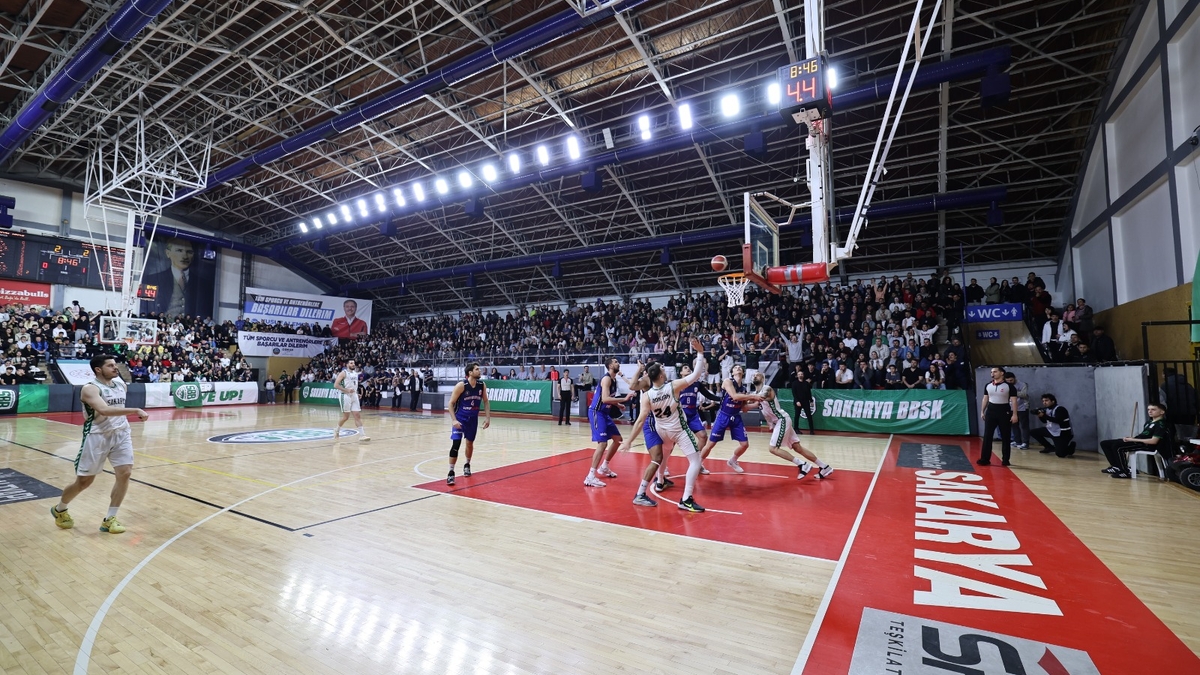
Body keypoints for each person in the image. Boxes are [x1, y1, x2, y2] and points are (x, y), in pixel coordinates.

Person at [50, 356, 149, 534]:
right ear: (98, 369)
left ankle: (110, 519)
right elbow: (104, 410)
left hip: (121, 433)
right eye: (110, 366)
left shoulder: (121, 385)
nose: (115, 368)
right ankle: (60, 509)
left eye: (115, 365)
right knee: (84, 482)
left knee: (125, 473)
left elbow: (116, 408)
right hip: (97, 436)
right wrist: (135, 410)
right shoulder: (90, 389)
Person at [621, 338, 708, 511]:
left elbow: (640, 420)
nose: (664, 370)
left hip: (661, 430)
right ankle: (686, 498)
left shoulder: (647, 396)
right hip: (678, 430)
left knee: (663, 457)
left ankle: (660, 481)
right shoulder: (672, 386)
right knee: (695, 461)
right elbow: (696, 375)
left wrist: (629, 441)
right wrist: (700, 353)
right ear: (661, 376)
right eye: (662, 369)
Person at [736, 372, 832, 478]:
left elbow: (760, 397)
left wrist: (744, 397)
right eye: (753, 375)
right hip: (779, 422)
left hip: (782, 420)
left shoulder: (767, 389)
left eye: (757, 375)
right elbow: (746, 408)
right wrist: (740, 401)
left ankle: (802, 464)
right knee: (797, 447)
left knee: (773, 448)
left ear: (763, 378)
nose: (755, 376)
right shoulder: (755, 393)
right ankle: (824, 467)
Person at [698, 365, 762, 474]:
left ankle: (733, 460)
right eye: (736, 367)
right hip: (723, 415)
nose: (738, 368)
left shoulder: (744, 389)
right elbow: (735, 396)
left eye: (740, 367)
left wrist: (756, 404)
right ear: (732, 372)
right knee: (711, 444)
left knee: (745, 444)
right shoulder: (727, 381)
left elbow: (744, 408)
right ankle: (698, 464)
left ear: (743, 373)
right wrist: (753, 396)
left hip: (736, 417)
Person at [584, 357, 635, 488]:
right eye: (616, 362)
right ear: (610, 366)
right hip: (597, 412)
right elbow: (605, 399)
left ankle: (604, 466)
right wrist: (624, 399)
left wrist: (617, 404)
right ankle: (590, 476)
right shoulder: (606, 379)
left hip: (605, 414)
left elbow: (609, 398)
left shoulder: (614, 380)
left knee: (618, 439)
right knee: (603, 443)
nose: (618, 363)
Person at [142, 239, 213, 317]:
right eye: (179, 250)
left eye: (189, 252)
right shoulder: (152, 279)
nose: (185, 256)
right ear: (168, 253)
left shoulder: (204, 284)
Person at [446, 362, 492, 485]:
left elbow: (486, 401)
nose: (479, 371)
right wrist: (454, 420)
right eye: (477, 369)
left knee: (470, 443)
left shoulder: (482, 385)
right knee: (456, 444)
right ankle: (451, 472)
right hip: (460, 419)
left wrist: (487, 418)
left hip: (473, 419)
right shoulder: (461, 385)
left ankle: (467, 464)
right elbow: (450, 403)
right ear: (470, 372)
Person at [1100, 402, 1172, 479]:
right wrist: (1131, 438)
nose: (1150, 411)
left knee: (1117, 446)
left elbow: (1153, 441)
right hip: (1139, 442)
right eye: (1148, 409)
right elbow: (1144, 435)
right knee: (1105, 443)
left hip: (1148, 445)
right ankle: (1116, 467)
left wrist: (1133, 440)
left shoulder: (1161, 425)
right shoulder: (1149, 422)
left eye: (1153, 409)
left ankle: (1124, 471)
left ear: (1162, 412)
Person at [978, 366, 1017, 466]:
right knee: (987, 435)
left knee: (1005, 436)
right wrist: (982, 411)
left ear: (1002, 373)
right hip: (991, 411)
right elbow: (985, 399)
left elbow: (1014, 401)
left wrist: (1014, 414)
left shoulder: (1009, 386)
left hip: (1004, 411)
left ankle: (1005, 459)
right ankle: (984, 459)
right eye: (991, 372)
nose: (992, 374)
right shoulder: (988, 385)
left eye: (995, 372)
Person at [333, 359, 369, 441]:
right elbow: (335, 385)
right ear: (347, 365)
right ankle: (337, 430)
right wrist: (347, 390)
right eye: (351, 363)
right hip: (345, 395)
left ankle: (362, 435)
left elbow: (354, 385)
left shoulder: (355, 373)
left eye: (354, 363)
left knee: (357, 415)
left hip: (354, 395)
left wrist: (356, 393)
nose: (353, 364)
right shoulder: (343, 373)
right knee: (346, 417)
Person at [1003, 372, 1030, 449]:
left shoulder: (1022, 384)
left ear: (1014, 378)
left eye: (1011, 380)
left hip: (1022, 407)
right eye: (1007, 381)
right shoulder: (1005, 385)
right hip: (1011, 407)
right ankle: (1017, 441)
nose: (1010, 382)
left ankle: (1025, 442)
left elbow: (1024, 394)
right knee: (1014, 425)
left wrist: (1012, 392)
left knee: (1024, 425)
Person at [790, 366, 816, 435]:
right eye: (799, 374)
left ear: (803, 375)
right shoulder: (794, 383)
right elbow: (794, 393)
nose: (800, 375)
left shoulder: (806, 383)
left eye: (801, 374)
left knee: (809, 416)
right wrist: (797, 401)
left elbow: (809, 393)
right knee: (797, 416)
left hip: (806, 401)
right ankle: (796, 429)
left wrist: (811, 400)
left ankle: (811, 430)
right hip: (798, 402)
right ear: (797, 376)